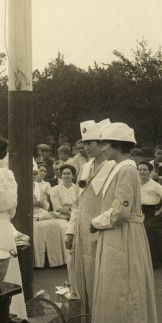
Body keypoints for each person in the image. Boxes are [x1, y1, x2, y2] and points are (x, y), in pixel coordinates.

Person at [90, 122, 162, 323]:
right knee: (114, 291)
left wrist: (95, 222)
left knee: (123, 292)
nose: (103, 148)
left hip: (123, 236)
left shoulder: (127, 170)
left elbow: (120, 211)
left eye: (106, 144)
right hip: (117, 235)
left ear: (117, 146)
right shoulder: (120, 168)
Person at [65, 120, 115, 312]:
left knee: (101, 277)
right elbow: (78, 203)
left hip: (102, 230)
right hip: (82, 230)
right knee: (82, 276)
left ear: (102, 144)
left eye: (90, 143)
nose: (86, 148)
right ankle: (86, 318)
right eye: (84, 144)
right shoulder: (86, 167)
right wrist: (70, 231)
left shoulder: (113, 167)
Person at [138, 161, 162, 268]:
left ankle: (150, 261)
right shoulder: (135, 183)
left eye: (144, 169)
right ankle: (136, 259)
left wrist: (161, 210)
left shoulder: (155, 185)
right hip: (137, 212)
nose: (142, 172)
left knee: (148, 229)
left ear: (149, 171)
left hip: (151, 214)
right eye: (139, 169)